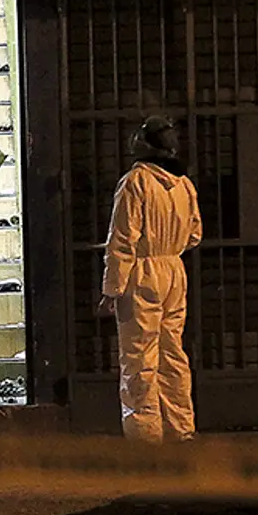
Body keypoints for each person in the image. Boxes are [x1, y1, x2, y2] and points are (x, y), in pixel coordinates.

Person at [98, 115, 203, 445]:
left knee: (139, 359)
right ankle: (181, 429)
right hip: (174, 270)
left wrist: (112, 289)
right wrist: (169, 249)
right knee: (173, 355)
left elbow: (122, 240)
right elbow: (195, 235)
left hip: (141, 275)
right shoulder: (184, 184)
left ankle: (145, 437)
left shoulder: (136, 182)